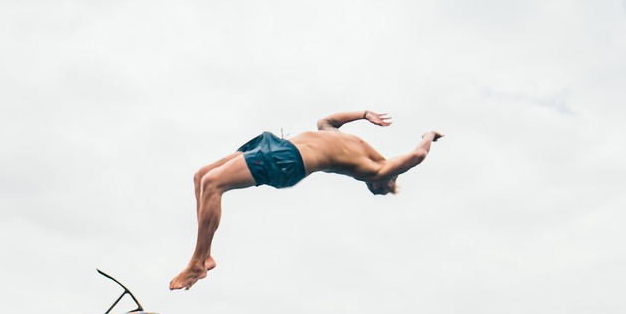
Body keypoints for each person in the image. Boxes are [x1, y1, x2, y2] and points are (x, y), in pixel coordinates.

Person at [170, 109, 443, 290]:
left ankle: (198, 263)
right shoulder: (353, 144)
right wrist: (363, 114)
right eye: (377, 188)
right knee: (201, 176)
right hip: (277, 145)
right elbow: (327, 122)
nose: (373, 185)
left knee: (213, 183)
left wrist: (428, 136)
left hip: (288, 161)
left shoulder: (376, 169)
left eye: (374, 188)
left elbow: (417, 156)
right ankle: (204, 256)